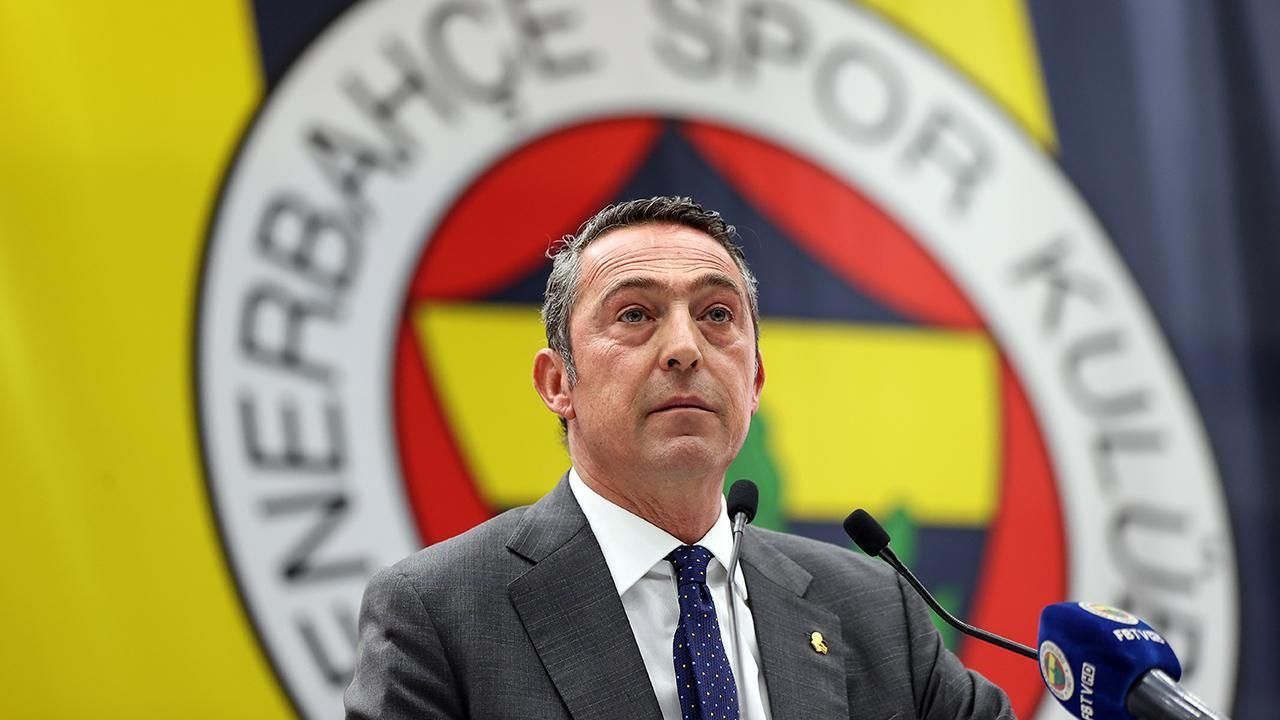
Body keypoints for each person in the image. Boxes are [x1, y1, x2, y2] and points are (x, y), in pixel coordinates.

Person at [344, 196, 1014, 719]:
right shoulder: (440, 613)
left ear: (754, 382)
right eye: (635, 315)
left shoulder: (875, 611)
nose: (685, 349)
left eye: (717, 315)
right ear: (558, 383)